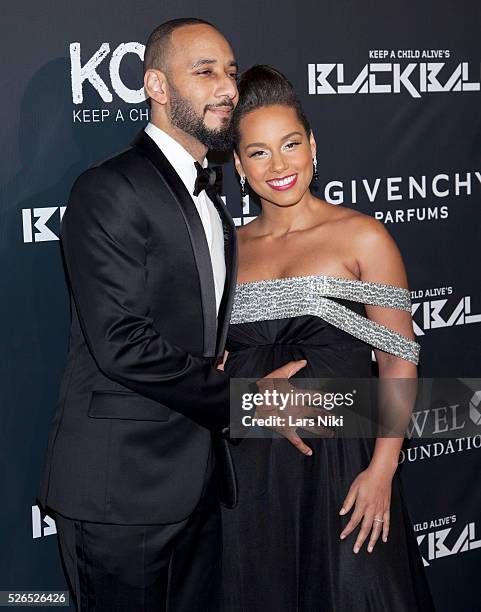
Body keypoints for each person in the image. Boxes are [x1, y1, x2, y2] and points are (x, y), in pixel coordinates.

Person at [36, 23, 307, 611]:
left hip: (200, 484)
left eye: (231, 72)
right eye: (205, 71)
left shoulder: (212, 198)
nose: (227, 87)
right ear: (155, 85)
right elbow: (121, 343)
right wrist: (245, 399)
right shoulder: (108, 188)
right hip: (121, 493)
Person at [219, 65, 436, 611]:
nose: (280, 164)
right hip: (252, 474)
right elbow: (211, 368)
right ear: (240, 165)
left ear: (313, 145)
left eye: (290, 144)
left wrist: (383, 469)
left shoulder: (362, 235)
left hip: (343, 467)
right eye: (260, 152)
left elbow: (397, 363)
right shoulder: (225, 249)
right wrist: (251, 401)